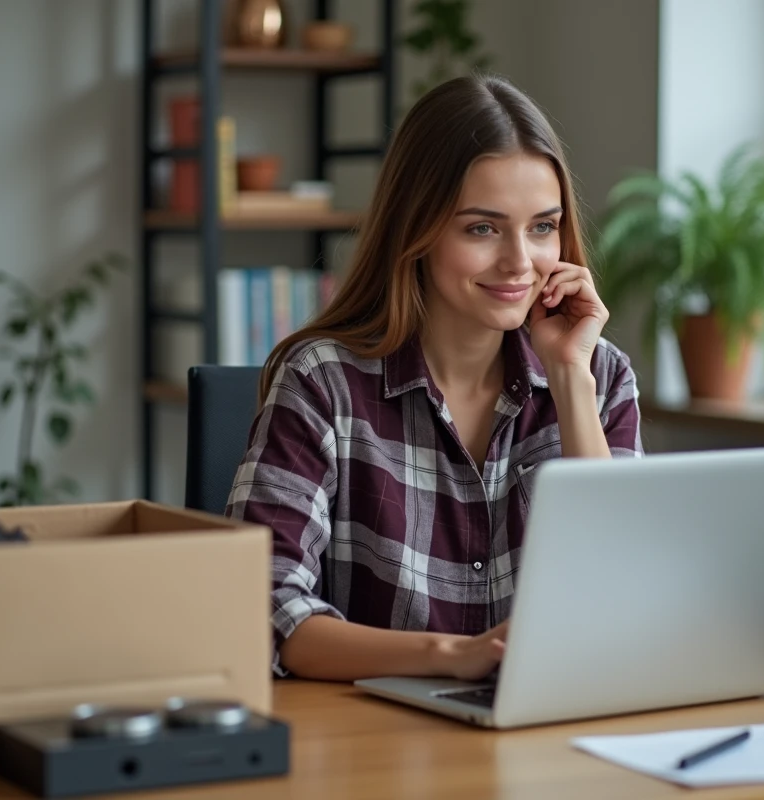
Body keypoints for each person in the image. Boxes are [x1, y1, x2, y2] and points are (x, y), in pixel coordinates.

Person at [226, 74, 642, 682]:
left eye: (543, 227)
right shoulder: (324, 384)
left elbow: (629, 602)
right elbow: (263, 608)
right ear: (416, 229)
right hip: (373, 746)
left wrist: (571, 379)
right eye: (482, 228)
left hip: (550, 736)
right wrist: (450, 657)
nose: (520, 262)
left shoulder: (598, 373)